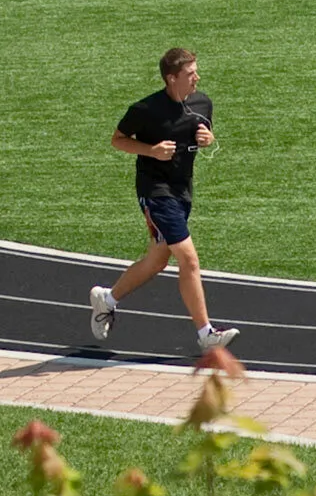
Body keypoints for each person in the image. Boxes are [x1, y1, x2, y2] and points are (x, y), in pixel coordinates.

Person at [90, 47, 239, 355]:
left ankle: (107, 299)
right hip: (155, 191)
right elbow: (117, 140)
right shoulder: (146, 110)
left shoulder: (202, 102)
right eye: (190, 73)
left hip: (183, 190)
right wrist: (152, 150)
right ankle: (206, 333)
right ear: (172, 79)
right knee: (188, 258)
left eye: (196, 71)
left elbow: (204, 131)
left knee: (157, 261)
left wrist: (208, 139)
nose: (197, 77)